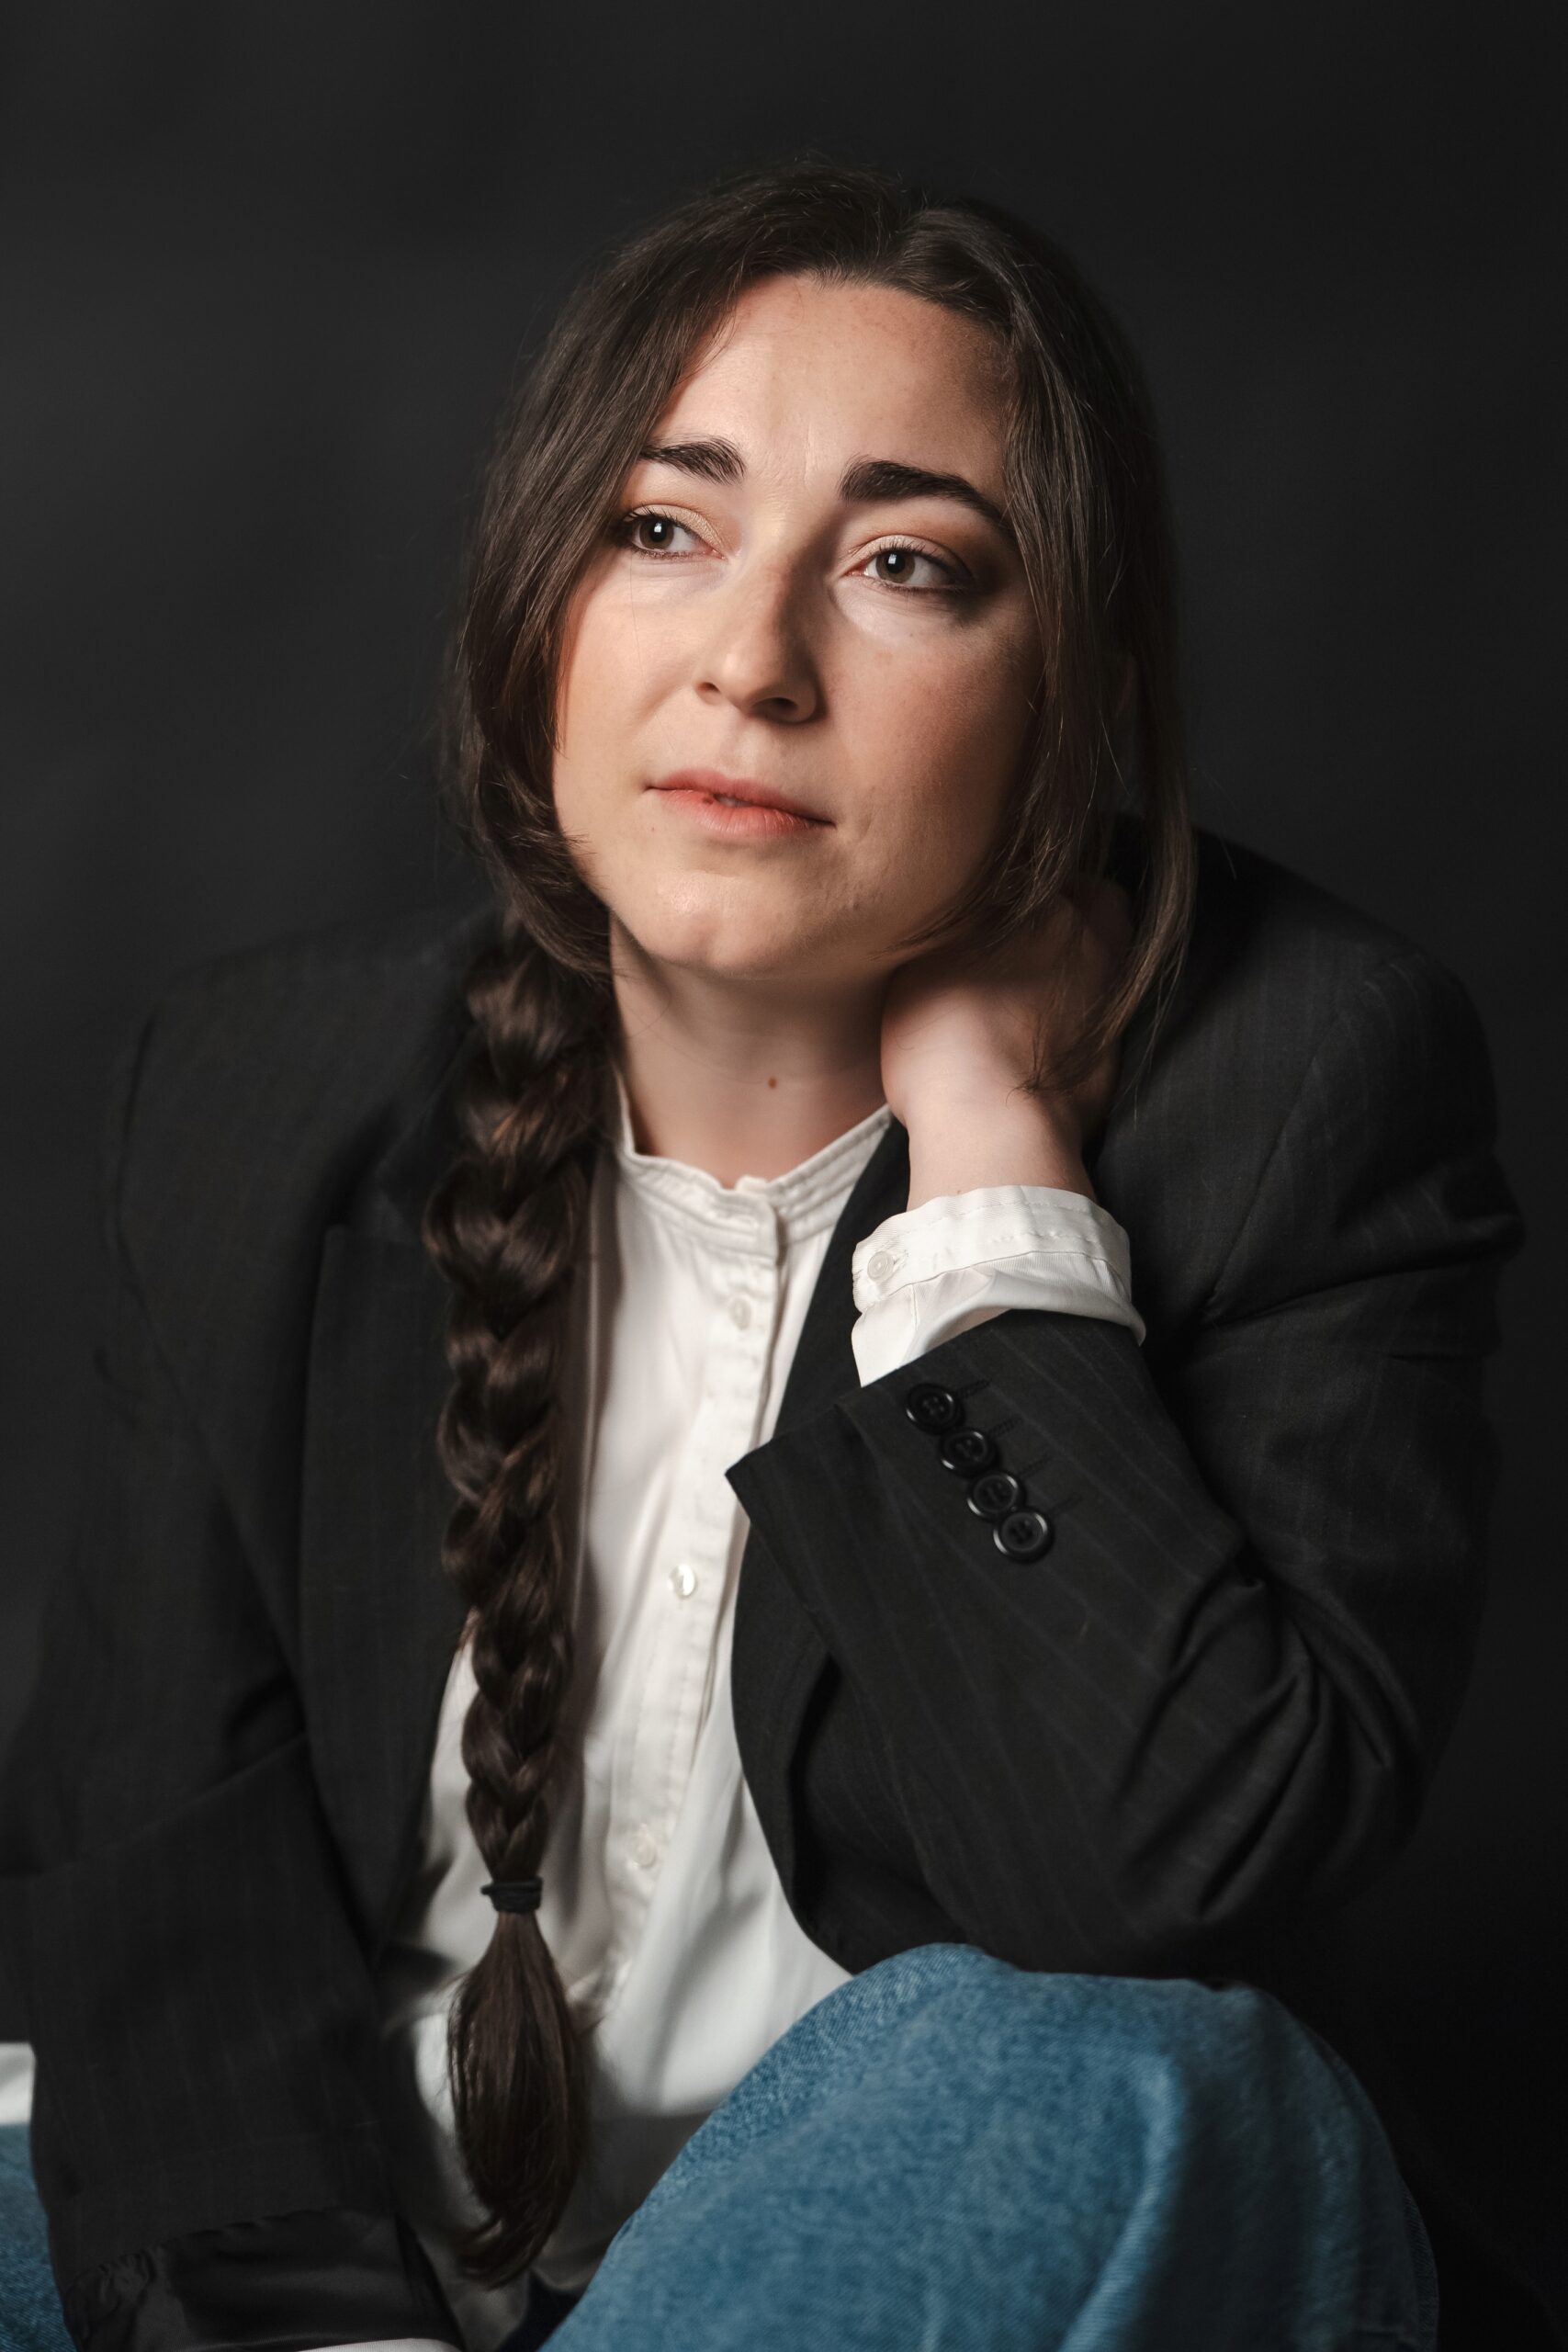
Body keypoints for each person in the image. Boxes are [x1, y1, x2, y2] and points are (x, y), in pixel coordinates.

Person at [0, 158, 1549, 2352]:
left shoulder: (1303, 1083)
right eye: (662, 527)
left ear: (1071, 691)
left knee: (1092, 2068)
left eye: (906, 565)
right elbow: (160, 1872)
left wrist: (992, 1163)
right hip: (368, 2245)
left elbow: (1145, 1881)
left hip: (950, 2237)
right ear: (537, 599)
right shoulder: (263, 1081)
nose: (749, 661)